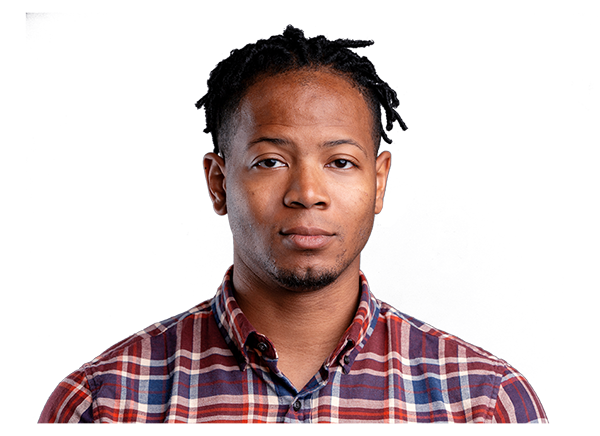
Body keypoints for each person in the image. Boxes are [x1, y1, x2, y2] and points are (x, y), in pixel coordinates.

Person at [40, 27, 547, 424]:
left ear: (378, 183)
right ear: (218, 184)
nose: (307, 193)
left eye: (340, 162)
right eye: (270, 161)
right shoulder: (103, 405)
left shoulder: (484, 405)